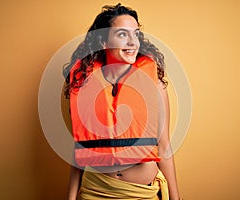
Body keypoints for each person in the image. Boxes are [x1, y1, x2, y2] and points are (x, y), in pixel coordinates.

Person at [63, 3, 182, 200]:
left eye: (135, 34)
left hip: (141, 193)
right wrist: (70, 197)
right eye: (122, 34)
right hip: (96, 190)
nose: (133, 42)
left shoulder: (155, 83)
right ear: (103, 42)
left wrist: (176, 198)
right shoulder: (84, 82)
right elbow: (80, 146)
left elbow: (164, 144)